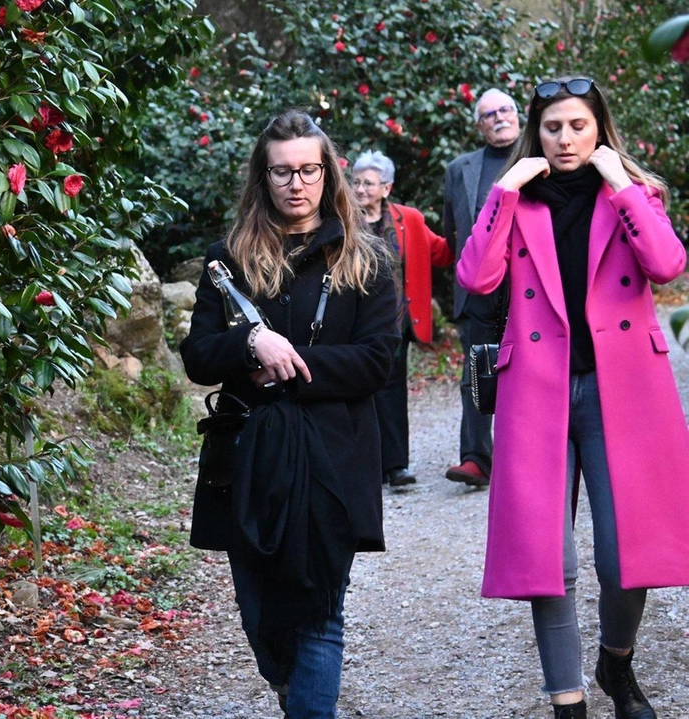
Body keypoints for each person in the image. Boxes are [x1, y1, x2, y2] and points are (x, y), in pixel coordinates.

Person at [456, 77, 689, 719]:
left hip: (624, 392)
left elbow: (668, 265)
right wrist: (503, 190)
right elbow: (477, 278)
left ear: (599, 129)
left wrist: (620, 184)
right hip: (537, 389)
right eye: (553, 127)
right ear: (537, 132)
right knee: (546, 558)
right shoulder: (518, 200)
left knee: (625, 556)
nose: (565, 139)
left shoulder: (632, 196)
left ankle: (616, 661)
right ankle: (568, 700)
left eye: (579, 126)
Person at [181, 110, 399, 718]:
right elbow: (198, 355)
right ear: (264, 177)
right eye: (282, 172)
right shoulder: (228, 259)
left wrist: (291, 360)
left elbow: (378, 361)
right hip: (247, 454)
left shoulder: (369, 259)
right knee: (259, 617)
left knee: (320, 612)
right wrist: (250, 344)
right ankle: (288, 684)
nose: (296, 183)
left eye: (308, 169)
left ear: (328, 174)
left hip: (334, 453)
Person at [351, 151, 454, 488]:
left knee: (392, 389)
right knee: (356, 387)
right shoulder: (341, 219)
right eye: (356, 182)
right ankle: (362, 463)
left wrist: (470, 228)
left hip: (396, 321)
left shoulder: (408, 218)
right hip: (352, 320)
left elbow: (441, 251)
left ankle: (396, 466)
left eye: (368, 183)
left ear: (387, 187)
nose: (361, 189)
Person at [441, 88, 521, 488]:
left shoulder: (540, 159)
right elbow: (451, 232)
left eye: (506, 109)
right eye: (489, 113)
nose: (499, 117)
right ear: (479, 125)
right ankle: (476, 458)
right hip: (477, 290)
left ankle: (527, 454)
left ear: (519, 115)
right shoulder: (459, 169)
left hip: (530, 288)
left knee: (532, 370)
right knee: (476, 369)